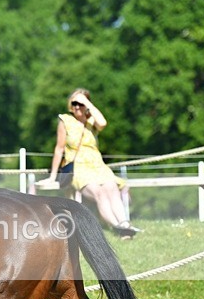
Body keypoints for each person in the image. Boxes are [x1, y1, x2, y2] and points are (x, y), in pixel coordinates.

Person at [43, 88, 140, 238]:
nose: (77, 107)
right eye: (74, 103)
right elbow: (59, 149)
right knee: (99, 192)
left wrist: (86, 102)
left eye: (80, 103)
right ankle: (117, 227)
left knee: (112, 189)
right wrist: (52, 176)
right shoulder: (65, 121)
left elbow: (103, 123)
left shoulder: (91, 121)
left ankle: (124, 223)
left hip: (98, 165)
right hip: (78, 167)